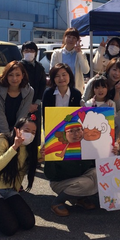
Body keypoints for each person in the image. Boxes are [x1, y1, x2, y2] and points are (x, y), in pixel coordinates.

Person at [43, 85, 97, 217]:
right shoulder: (56, 146)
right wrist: (47, 159)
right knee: (86, 183)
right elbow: (50, 175)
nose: (76, 134)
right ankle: (57, 202)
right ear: (64, 133)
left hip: (79, 178)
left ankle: (79, 198)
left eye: (78, 130)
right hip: (61, 182)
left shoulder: (86, 144)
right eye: (71, 131)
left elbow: (94, 164)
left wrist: (109, 150)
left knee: (98, 173)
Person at [0, 61, 34, 138]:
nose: (14, 78)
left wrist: (15, 135)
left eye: (18, 75)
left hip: (19, 130)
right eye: (10, 75)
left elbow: (23, 115)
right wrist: (7, 136)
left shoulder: (29, 91)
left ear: (22, 76)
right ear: (6, 76)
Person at [83, 58, 120, 133]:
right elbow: (84, 99)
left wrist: (117, 91)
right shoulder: (95, 81)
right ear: (108, 69)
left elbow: (117, 108)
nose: (117, 73)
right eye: (114, 70)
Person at [20, 41, 46, 160]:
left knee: (35, 130)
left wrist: (36, 103)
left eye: (32, 51)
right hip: (22, 104)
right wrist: (27, 104)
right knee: (22, 129)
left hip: (36, 104)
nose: (29, 53)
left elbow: (42, 85)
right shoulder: (19, 66)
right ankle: (22, 157)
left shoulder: (40, 67)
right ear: (22, 52)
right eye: (26, 50)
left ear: (36, 53)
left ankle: (34, 157)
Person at [49, 28, 90, 93]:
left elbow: (86, 70)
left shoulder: (80, 54)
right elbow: (52, 72)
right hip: (60, 89)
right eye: (69, 37)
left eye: (74, 38)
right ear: (64, 38)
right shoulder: (57, 53)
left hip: (76, 89)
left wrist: (79, 53)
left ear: (77, 40)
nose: (71, 40)